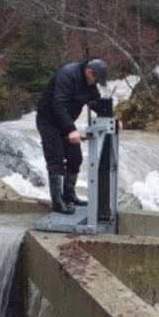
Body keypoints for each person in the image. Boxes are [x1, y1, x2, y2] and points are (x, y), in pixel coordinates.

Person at [36, 58, 109, 214]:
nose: (96, 83)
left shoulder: (90, 84)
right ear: (89, 72)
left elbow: (96, 103)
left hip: (66, 121)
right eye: (96, 79)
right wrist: (71, 129)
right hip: (49, 121)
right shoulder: (67, 75)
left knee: (75, 157)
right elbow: (59, 104)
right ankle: (57, 203)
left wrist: (112, 118)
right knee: (56, 160)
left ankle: (69, 195)